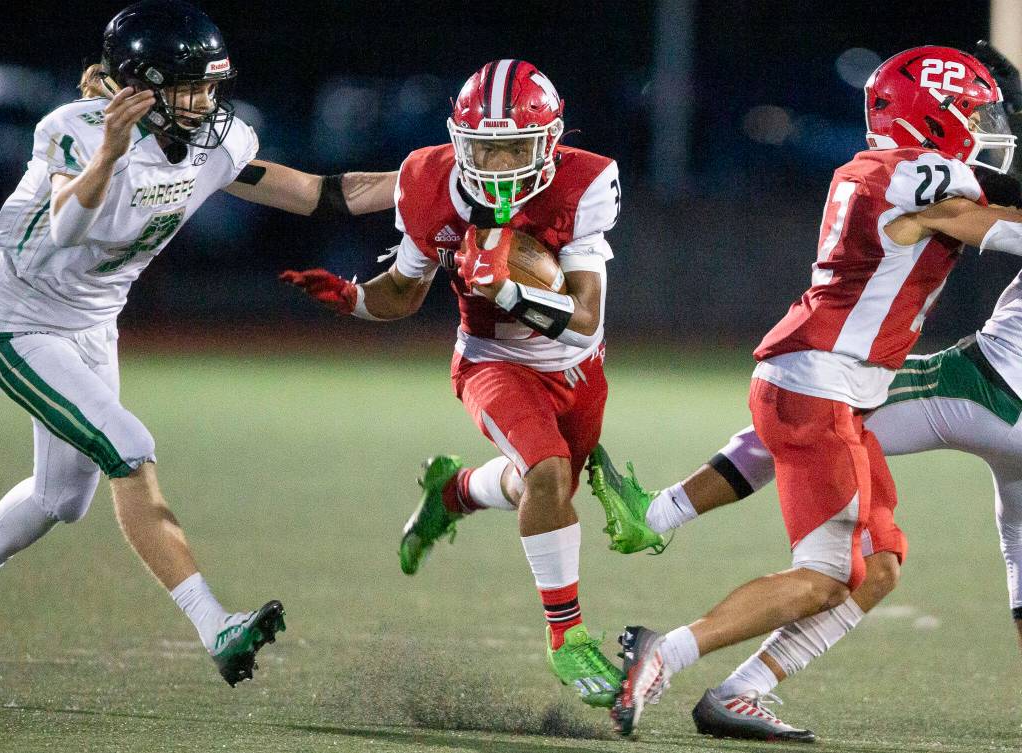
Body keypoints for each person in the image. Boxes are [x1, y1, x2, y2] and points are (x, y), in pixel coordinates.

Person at [595, 45, 1022, 737]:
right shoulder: (923, 175)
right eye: (974, 112)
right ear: (935, 120)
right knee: (827, 575)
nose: (988, 125)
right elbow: (994, 224)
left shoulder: (885, 165)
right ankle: (663, 651)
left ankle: (737, 684)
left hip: (820, 382)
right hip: (823, 385)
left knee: (879, 567)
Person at [0, 0, 395, 686]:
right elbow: (66, 227)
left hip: (93, 323)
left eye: (212, 85)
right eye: (191, 86)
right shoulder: (74, 129)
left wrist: (427, 183)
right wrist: (112, 156)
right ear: (140, 84)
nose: (206, 101)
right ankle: (217, 624)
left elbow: (313, 193)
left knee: (63, 499)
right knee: (128, 445)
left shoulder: (214, 141)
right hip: (20, 318)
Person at [281, 59, 625, 706]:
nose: (496, 167)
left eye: (512, 149)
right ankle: (567, 634)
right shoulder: (428, 179)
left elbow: (582, 322)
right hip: (491, 359)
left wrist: (506, 285)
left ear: (549, 142)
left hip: (576, 365)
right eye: (483, 150)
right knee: (549, 475)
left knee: (540, 488)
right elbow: (404, 293)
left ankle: (455, 489)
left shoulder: (586, 179)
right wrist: (354, 298)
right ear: (458, 142)